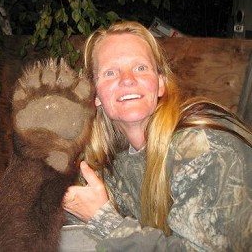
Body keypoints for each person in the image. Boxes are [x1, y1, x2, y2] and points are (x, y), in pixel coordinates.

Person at [63, 21, 252, 251]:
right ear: (96, 95)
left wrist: (104, 220)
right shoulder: (117, 161)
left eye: (140, 68)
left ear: (161, 84)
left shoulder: (204, 147)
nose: (127, 79)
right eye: (111, 72)